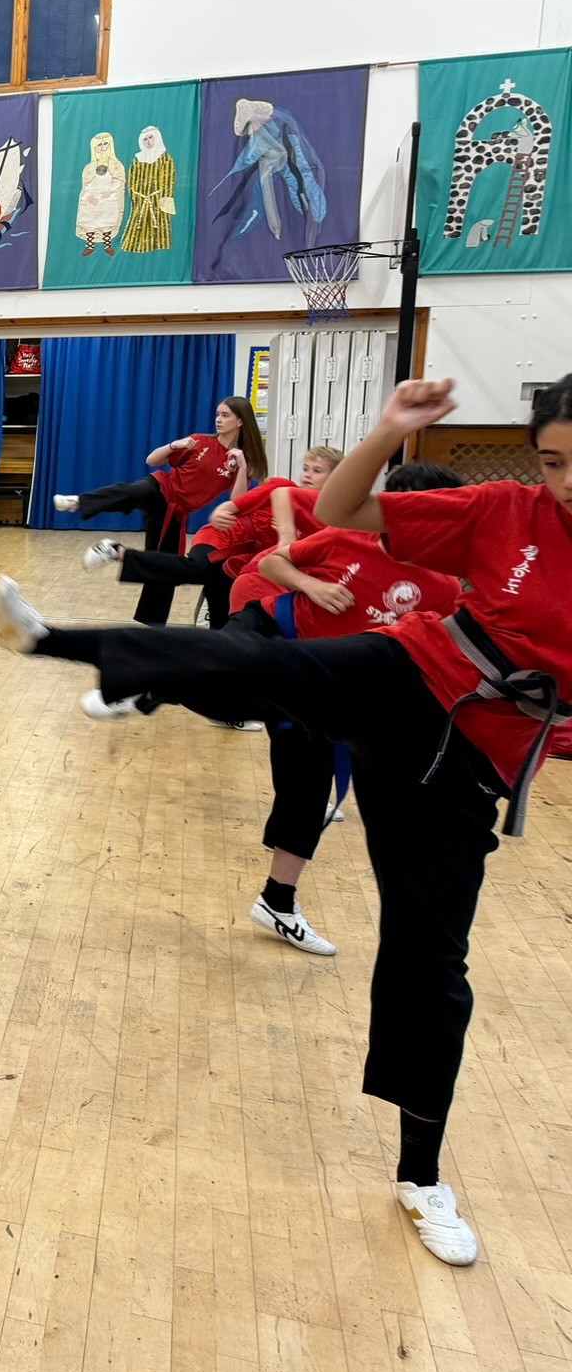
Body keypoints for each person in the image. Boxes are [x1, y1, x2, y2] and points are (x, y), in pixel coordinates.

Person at [0, 374, 572, 1268]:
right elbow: (342, 505)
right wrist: (389, 428)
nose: (564, 481)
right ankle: (53, 640)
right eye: (556, 461)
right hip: (407, 677)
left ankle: (422, 1176)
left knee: (431, 966)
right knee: (269, 667)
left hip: (465, 769)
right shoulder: (508, 510)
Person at [234, 462, 465, 957]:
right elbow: (275, 563)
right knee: (220, 675)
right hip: (281, 639)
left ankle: (277, 901)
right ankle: (138, 679)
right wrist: (312, 586)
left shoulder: (445, 585)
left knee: (307, 790)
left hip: (329, 690)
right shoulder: (347, 540)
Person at [81, 446, 340, 636]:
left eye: (317, 471)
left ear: (335, 478)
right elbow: (242, 502)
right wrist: (228, 509)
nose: (307, 475)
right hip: (225, 536)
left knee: (223, 626)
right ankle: (118, 551)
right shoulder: (283, 486)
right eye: (306, 468)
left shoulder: (326, 521)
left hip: (242, 562)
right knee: (198, 569)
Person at [52, 397, 266, 623]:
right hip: (161, 488)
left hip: (175, 513)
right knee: (134, 492)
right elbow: (151, 460)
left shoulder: (240, 461)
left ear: (241, 421)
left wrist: (242, 467)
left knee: (164, 566)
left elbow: (238, 501)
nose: (218, 420)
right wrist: (175, 445)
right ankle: (78, 501)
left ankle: (150, 622)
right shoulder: (200, 442)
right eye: (217, 414)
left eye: (225, 416)